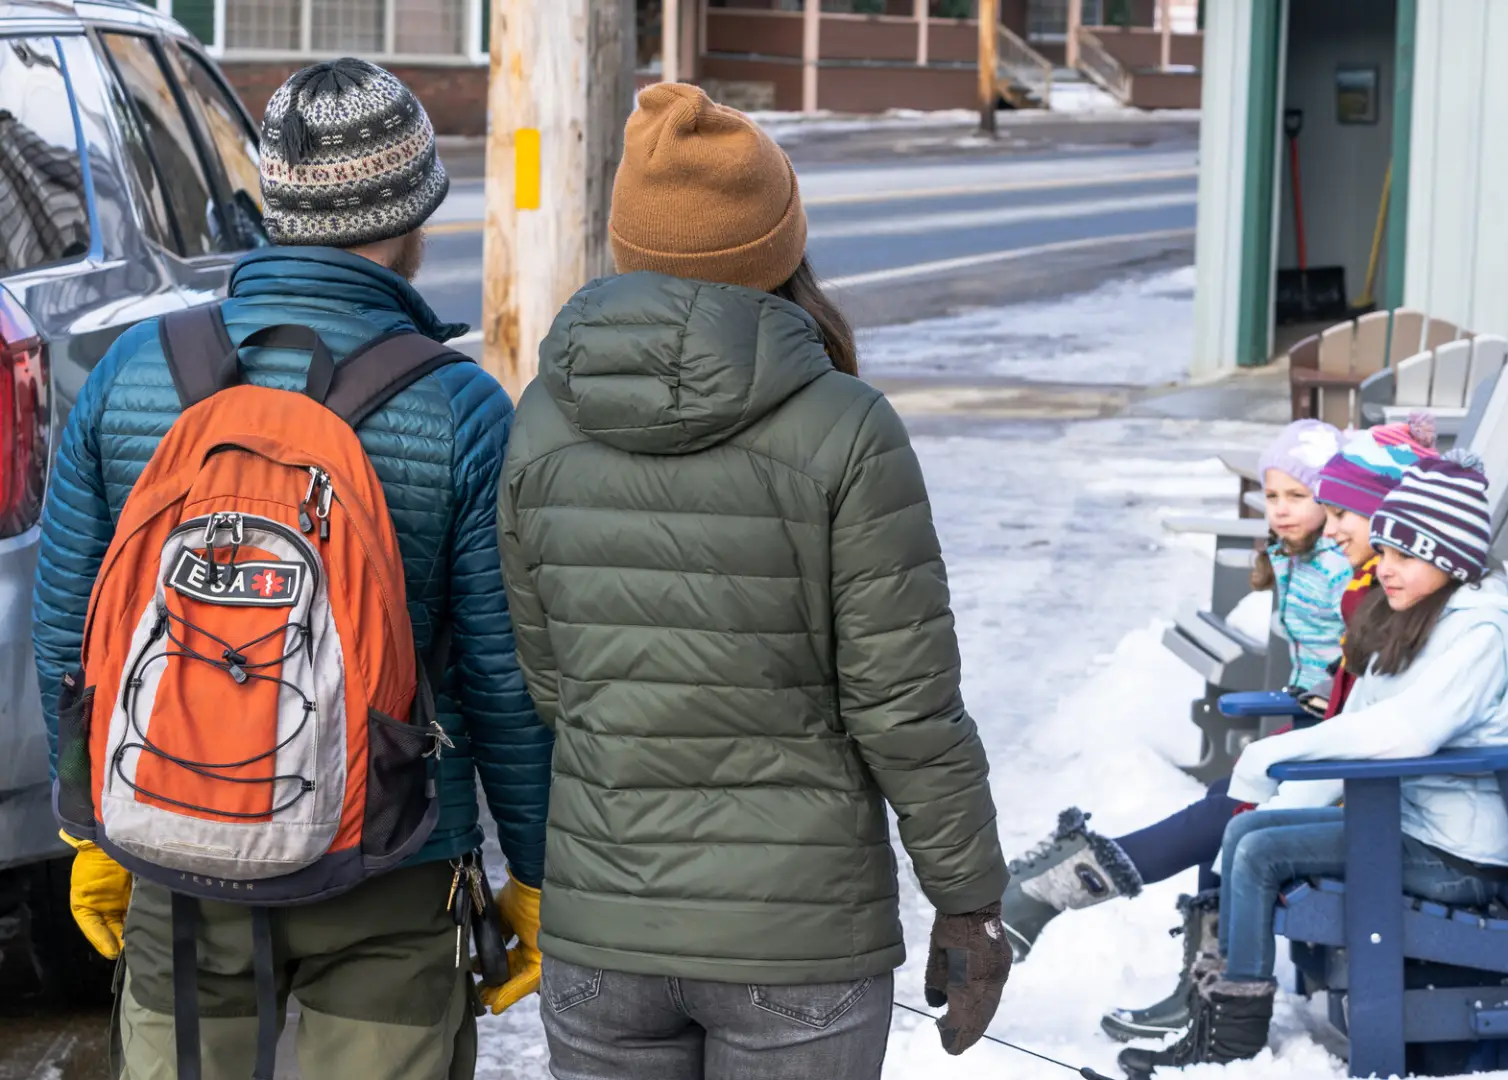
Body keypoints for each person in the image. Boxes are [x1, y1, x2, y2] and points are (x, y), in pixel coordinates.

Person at [31, 59, 552, 1079]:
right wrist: (532, 874)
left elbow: (70, 629)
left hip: (176, 842)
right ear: (411, 216)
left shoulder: (134, 373)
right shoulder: (464, 412)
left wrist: (85, 822)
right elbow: (503, 680)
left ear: (273, 206)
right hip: (394, 858)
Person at [495, 83, 1009, 1080]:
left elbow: (551, 683)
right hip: (799, 941)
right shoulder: (848, 427)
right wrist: (970, 897)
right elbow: (902, 706)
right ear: (779, 246)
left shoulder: (542, 420)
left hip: (608, 929)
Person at [1117, 453, 1508, 1075]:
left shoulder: (1480, 634)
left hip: (1459, 854)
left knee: (1261, 853)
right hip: (1410, 825)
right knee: (1245, 832)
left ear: (1450, 562)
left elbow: (1407, 732)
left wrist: (1274, 753)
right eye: (1387, 553)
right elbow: (1357, 724)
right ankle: (1223, 1026)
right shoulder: (1415, 621)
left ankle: (1232, 1045)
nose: (1386, 568)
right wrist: (1276, 797)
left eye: (1405, 557)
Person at [998, 421, 1350, 963]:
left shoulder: (1346, 570)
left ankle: (1056, 887)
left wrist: (1317, 710)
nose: (1279, 509)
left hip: (1343, 745)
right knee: (1221, 802)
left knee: (1228, 812)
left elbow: (1359, 673)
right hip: (1315, 726)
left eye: (1298, 496)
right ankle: (1212, 979)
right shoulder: (1296, 557)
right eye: (1273, 495)